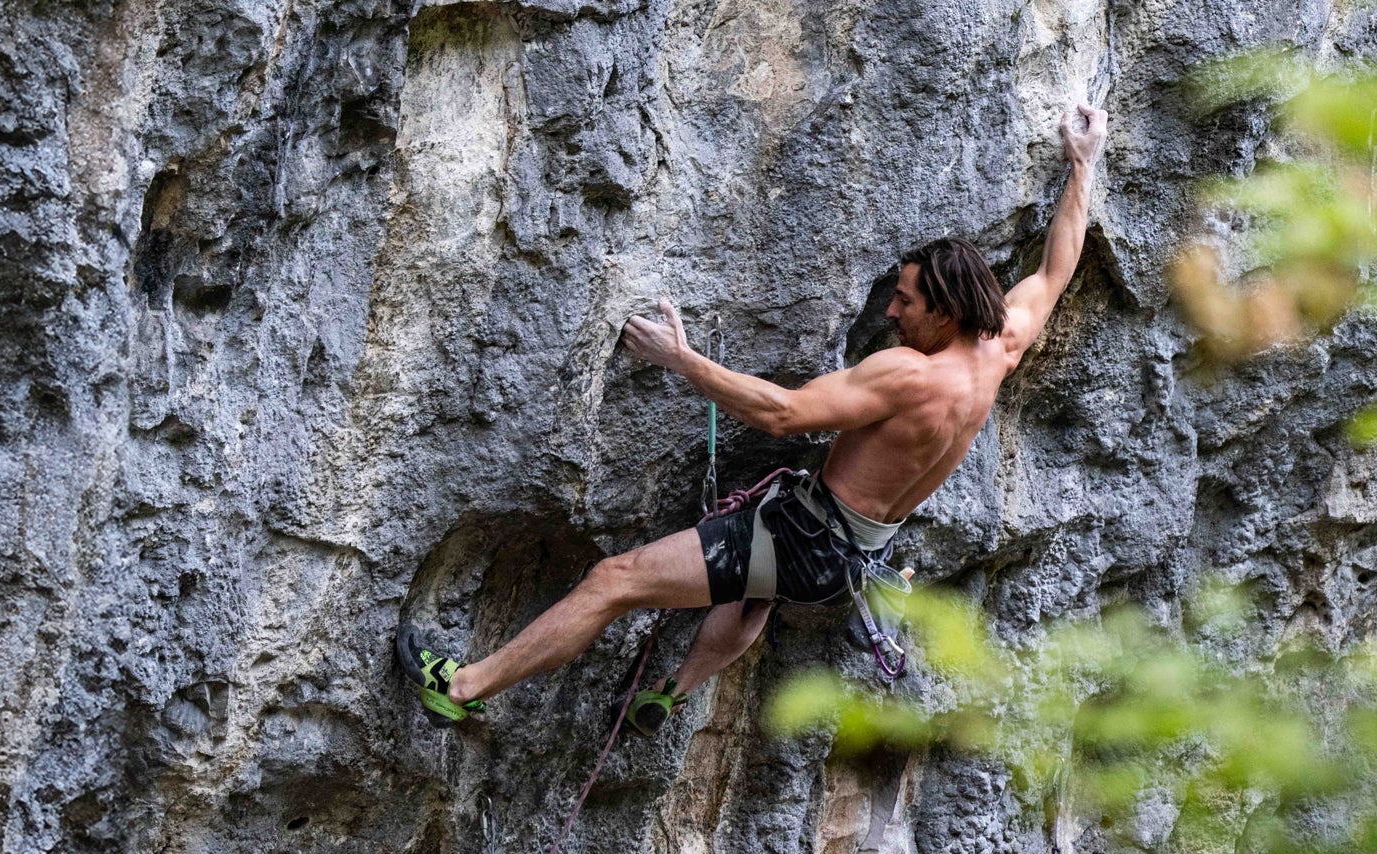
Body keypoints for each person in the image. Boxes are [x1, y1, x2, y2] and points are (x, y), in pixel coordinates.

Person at [400, 102, 1109, 731]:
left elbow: (783, 414)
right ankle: (672, 692)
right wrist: (1083, 164)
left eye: (906, 301)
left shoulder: (908, 375)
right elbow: (1057, 268)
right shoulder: (1000, 345)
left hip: (802, 538)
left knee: (615, 580)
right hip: (850, 559)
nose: (891, 312)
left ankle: (464, 686)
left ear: (946, 311)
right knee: (751, 596)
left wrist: (682, 360)